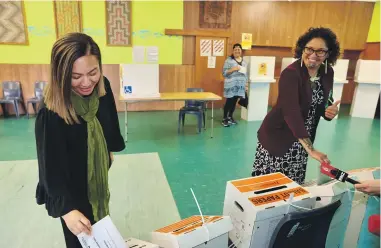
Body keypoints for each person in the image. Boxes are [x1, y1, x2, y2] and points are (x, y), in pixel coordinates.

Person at [35, 33, 125, 248]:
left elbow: (109, 120)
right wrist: (67, 211)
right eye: (75, 77)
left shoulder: (102, 86)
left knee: (102, 232)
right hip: (71, 189)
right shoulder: (51, 111)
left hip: (97, 179)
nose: (87, 83)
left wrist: (108, 150)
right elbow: (50, 167)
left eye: (92, 72)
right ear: (61, 75)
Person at [252, 27, 341, 184]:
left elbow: (325, 100)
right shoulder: (291, 73)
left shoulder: (328, 72)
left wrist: (329, 111)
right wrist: (311, 149)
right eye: (309, 49)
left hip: (303, 139)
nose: (313, 55)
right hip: (279, 136)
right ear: (302, 49)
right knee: (270, 185)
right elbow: (291, 112)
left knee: (293, 183)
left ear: (328, 54)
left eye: (320, 51)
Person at [222, 43, 248, 127]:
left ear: (241, 51)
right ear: (233, 51)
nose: (237, 51)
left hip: (240, 86)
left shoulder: (244, 62)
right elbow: (224, 73)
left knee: (234, 103)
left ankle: (230, 117)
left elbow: (245, 75)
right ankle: (224, 118)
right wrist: (233, 69)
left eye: (239, 49)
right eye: (235, 50)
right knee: (229, 102)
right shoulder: (228, 60)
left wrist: (246, 85)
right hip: (231, 85)